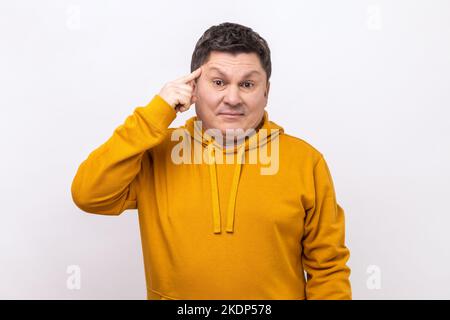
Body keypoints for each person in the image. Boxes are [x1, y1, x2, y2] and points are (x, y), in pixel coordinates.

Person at [71, 22, 352, 300]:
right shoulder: (156, 153)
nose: (232, 98)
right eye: (218, 82)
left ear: (266, 92)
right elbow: (89, 194)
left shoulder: (306, 161)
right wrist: (157, 112)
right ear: (193, 87)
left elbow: (328, 269)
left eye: (247, 84)